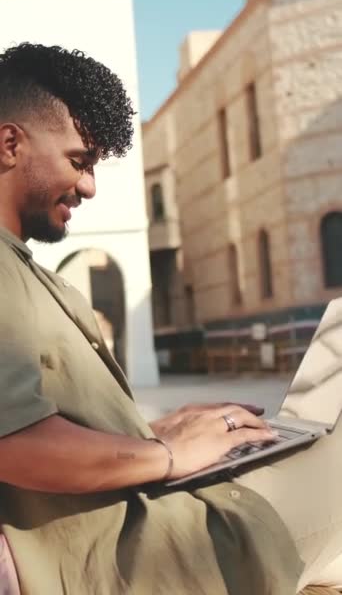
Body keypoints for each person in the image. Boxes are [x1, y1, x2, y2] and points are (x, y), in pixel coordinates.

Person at [0, 42, 340, 595]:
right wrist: (167, 454)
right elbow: (13, 446)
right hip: (133, 554)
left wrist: (158, 429)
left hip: (142, 525)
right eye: (79, 162)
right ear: (10, 143)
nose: (89, 186)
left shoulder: (25, 271)